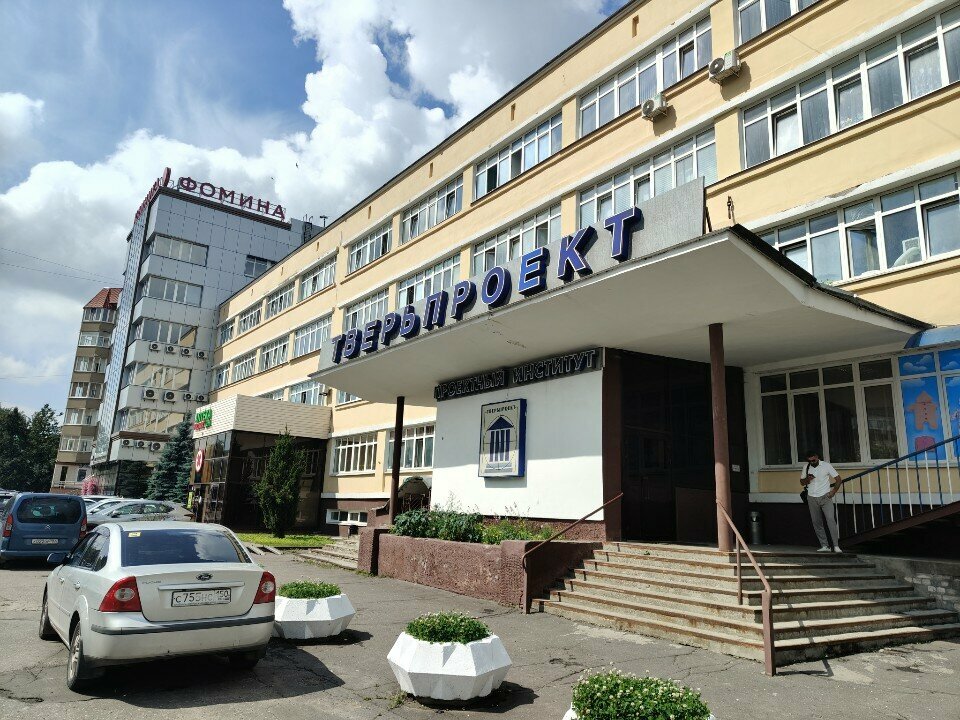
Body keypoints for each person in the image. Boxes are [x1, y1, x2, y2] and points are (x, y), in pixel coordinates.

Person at [801, 449, 842, 553]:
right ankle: (825, 545)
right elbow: (802, 482)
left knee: (830, 520)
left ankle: (836, 546)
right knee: (816, 522)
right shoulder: (806, 467)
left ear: (817, 457)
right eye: (809, 461)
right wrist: (808, 479)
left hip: (825, 497)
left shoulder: (826, 465)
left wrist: (833, 492)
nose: (812, 462)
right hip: (811, 497)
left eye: (813, 460)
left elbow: (838, 479)